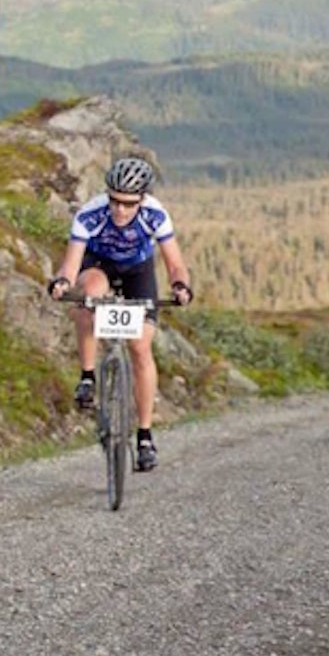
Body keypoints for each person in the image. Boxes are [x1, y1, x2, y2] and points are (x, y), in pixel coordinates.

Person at [47, 156, 192, 472]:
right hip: (98, 264)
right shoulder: (90, 213)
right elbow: (72, 262)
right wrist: (62, 282)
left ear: (142, 200)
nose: (120, 210)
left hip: (138, 270)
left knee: (140, 348)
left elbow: (174, 263)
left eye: (128, 204)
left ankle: (144, 436)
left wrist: (180, 286)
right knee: (90, 296)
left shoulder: (155, 215)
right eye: (115, 201)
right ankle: (87, 377)